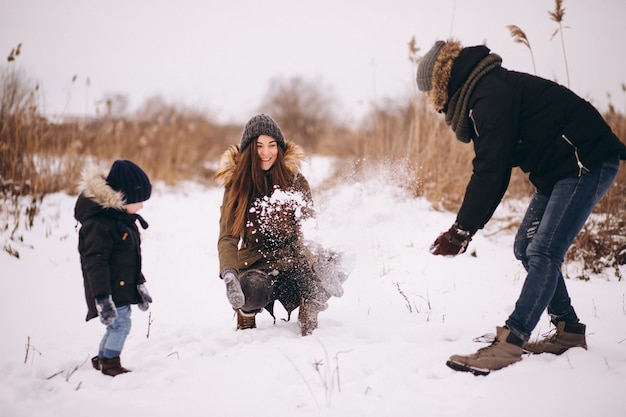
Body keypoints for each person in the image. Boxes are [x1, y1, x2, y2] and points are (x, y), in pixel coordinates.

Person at [416, 39, 626, 375]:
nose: (426, 100)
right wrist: (464, 230)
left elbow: (490, 170)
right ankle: (568, 330)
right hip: (559, 170)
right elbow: (494, 170)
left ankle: (512, 340)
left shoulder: (487, 97)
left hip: (586, 160)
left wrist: (461, 230)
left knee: (543, 250)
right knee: (526, 246)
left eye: (426, 90)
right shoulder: (481, 92)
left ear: (442, 84)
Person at [215, 114, 349, 336]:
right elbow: (228, 237)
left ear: (279, 147)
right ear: (249, 149)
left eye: (272, 145)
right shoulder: (236, 185)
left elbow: (308, 227)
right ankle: (246, 313)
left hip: (293, 263)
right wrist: (229, 272)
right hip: (257, 267)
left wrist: (319, 263)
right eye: (258, 146)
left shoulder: (295, 180)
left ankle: (310, 306)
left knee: (341, 260)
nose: (266, 152)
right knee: (253, 288)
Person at [74, 159, 154, 376]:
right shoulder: (99, 225)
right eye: (139, 201)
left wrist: (140, 285)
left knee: (115, 326)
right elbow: (95, 263)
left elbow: (130, 260)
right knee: (121, 326)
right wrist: (102, 298)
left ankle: (102, 359)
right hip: (107, 290)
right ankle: (110, 363)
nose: (142, 206)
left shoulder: (122, 221)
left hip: (119, 286)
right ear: (122, 198)